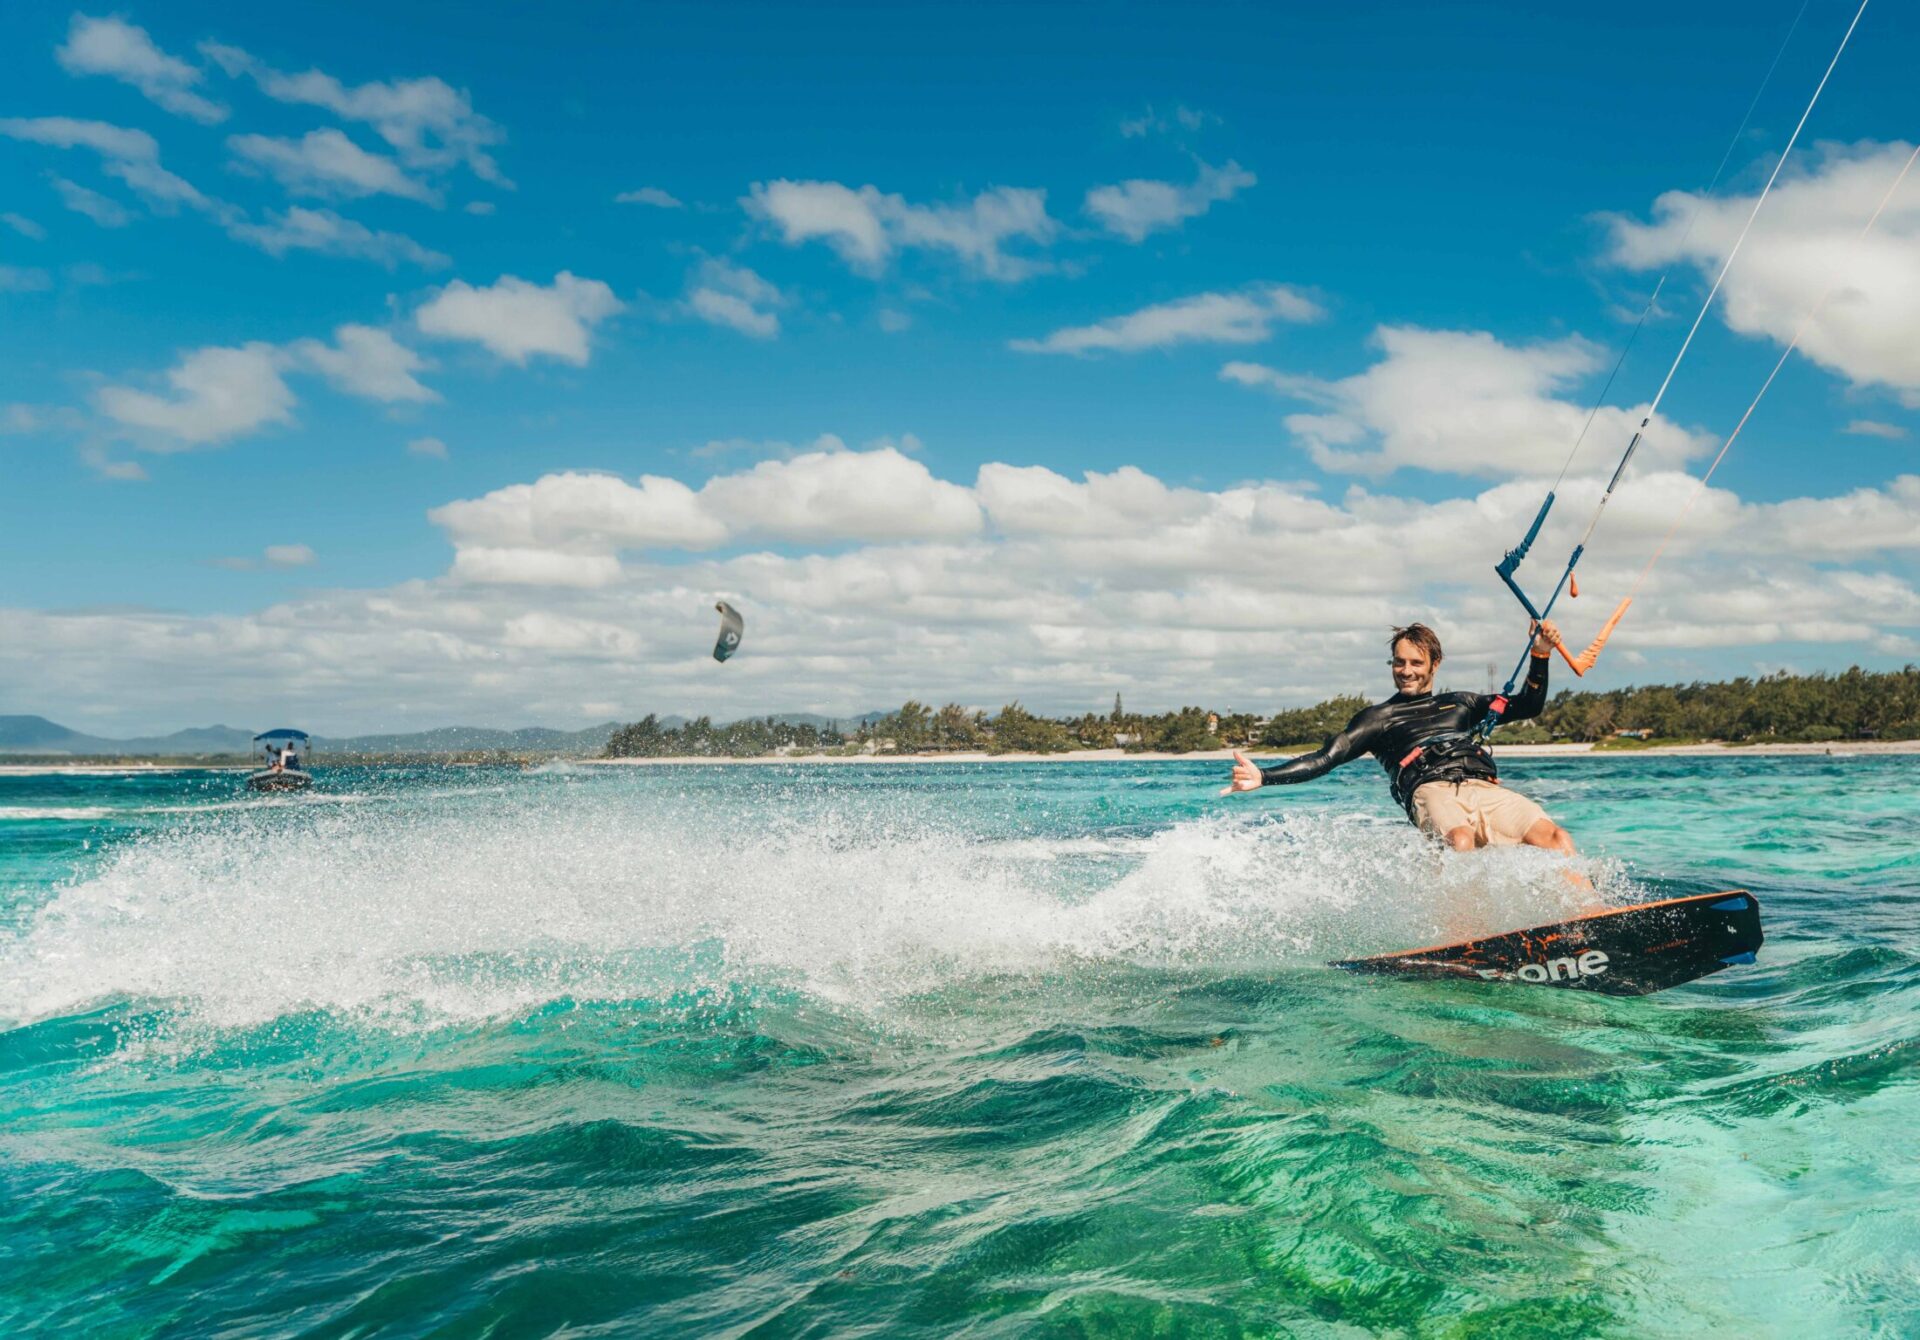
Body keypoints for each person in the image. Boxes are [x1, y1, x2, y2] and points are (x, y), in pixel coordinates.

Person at [1222, 620, 1582, 863]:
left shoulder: (1462, 703)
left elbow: (1529, 706)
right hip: (1430, 791)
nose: (1406, 671)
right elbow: (1326, 758)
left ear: (1435, 664)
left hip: (1481, 786)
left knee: (1556, 838)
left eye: (1415, 662)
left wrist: (1541, 653)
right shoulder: (1378, 718)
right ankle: (1465, 934)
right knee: (1460, 842)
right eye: (1398, 663)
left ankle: (1588, 920)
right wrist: (1265, 776)